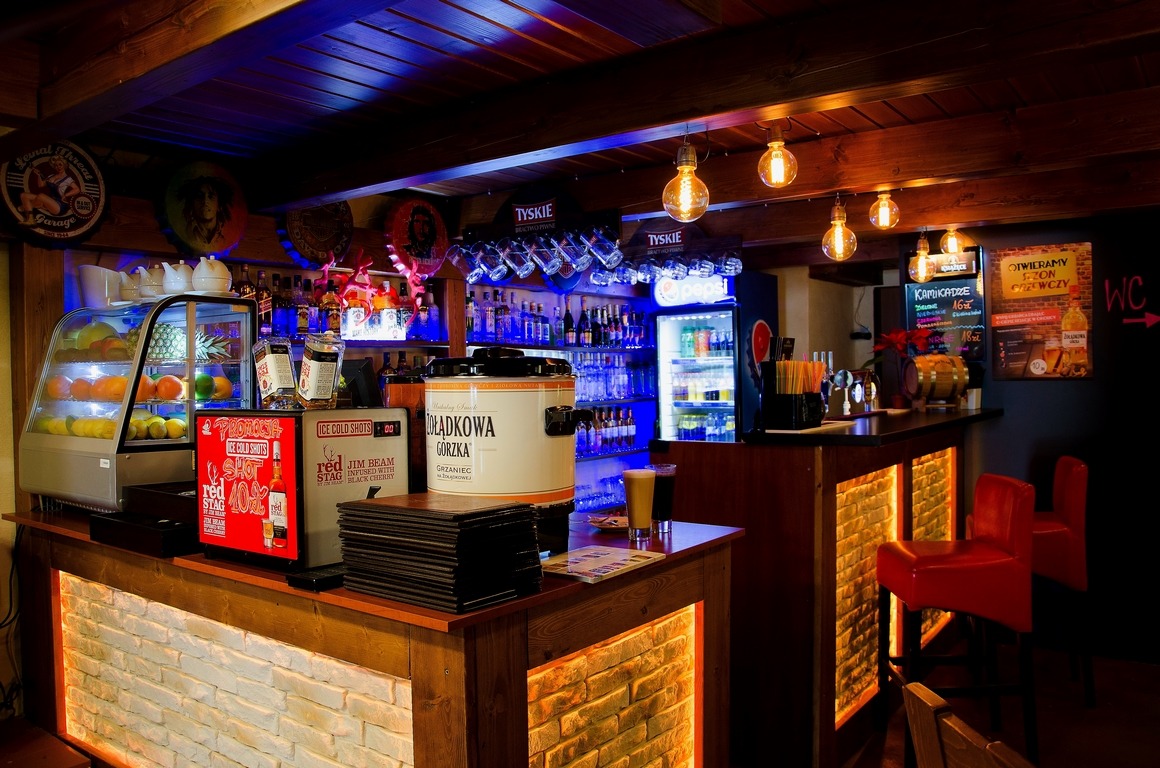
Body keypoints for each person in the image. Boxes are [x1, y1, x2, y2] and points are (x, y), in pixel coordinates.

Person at [175, 175, 235, 249]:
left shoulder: (227, 236)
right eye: (199, 196)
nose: (205, 201)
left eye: (211, 196)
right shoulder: (183, 233)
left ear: (219, 205)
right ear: (192, 204)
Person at [18, 154, 80, 226]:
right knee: (24, 195)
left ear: (64, 165)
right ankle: (31, 219)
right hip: (50, 201)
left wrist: (66, 195)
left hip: (60, 206)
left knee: (41, 196)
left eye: (60, 164)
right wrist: (38, 175)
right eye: (56, 165)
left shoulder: (68, 179)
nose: (58, 167)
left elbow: (77, 189)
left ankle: (27, 207)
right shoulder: (51, 176)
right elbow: (41, 185)